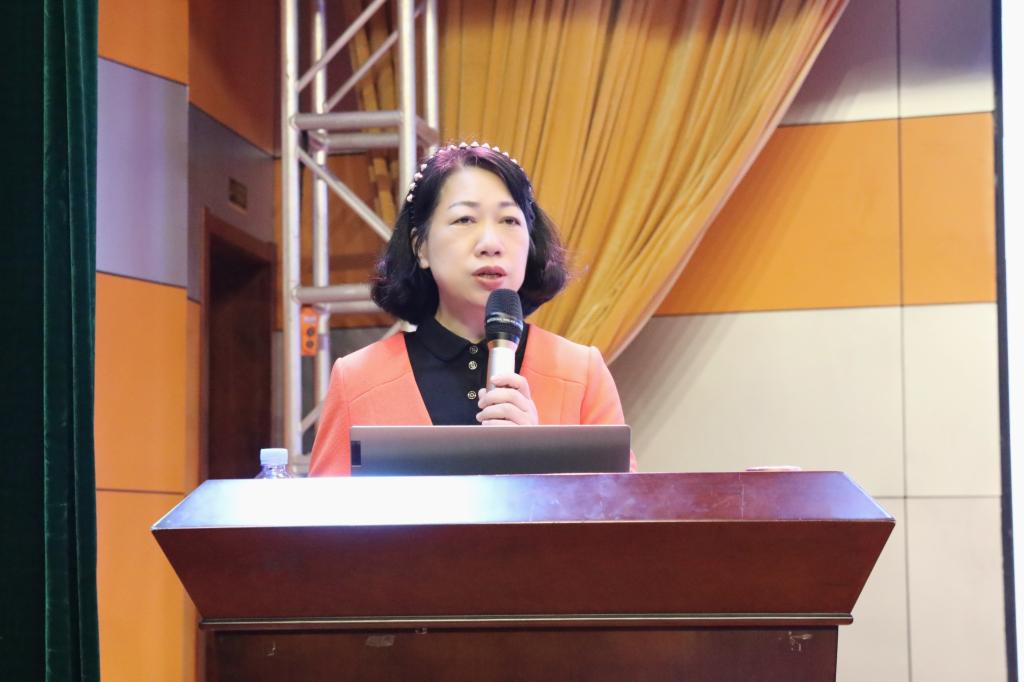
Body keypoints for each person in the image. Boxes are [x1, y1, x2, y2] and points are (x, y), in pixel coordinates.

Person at [308, 141, 633, 476]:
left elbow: (626, 506)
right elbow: (323, 509)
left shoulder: (582, 372)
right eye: (465, 219)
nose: (491, 243)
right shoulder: (358, 379)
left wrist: (540, 461)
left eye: (509, 220)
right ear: (421, 247)